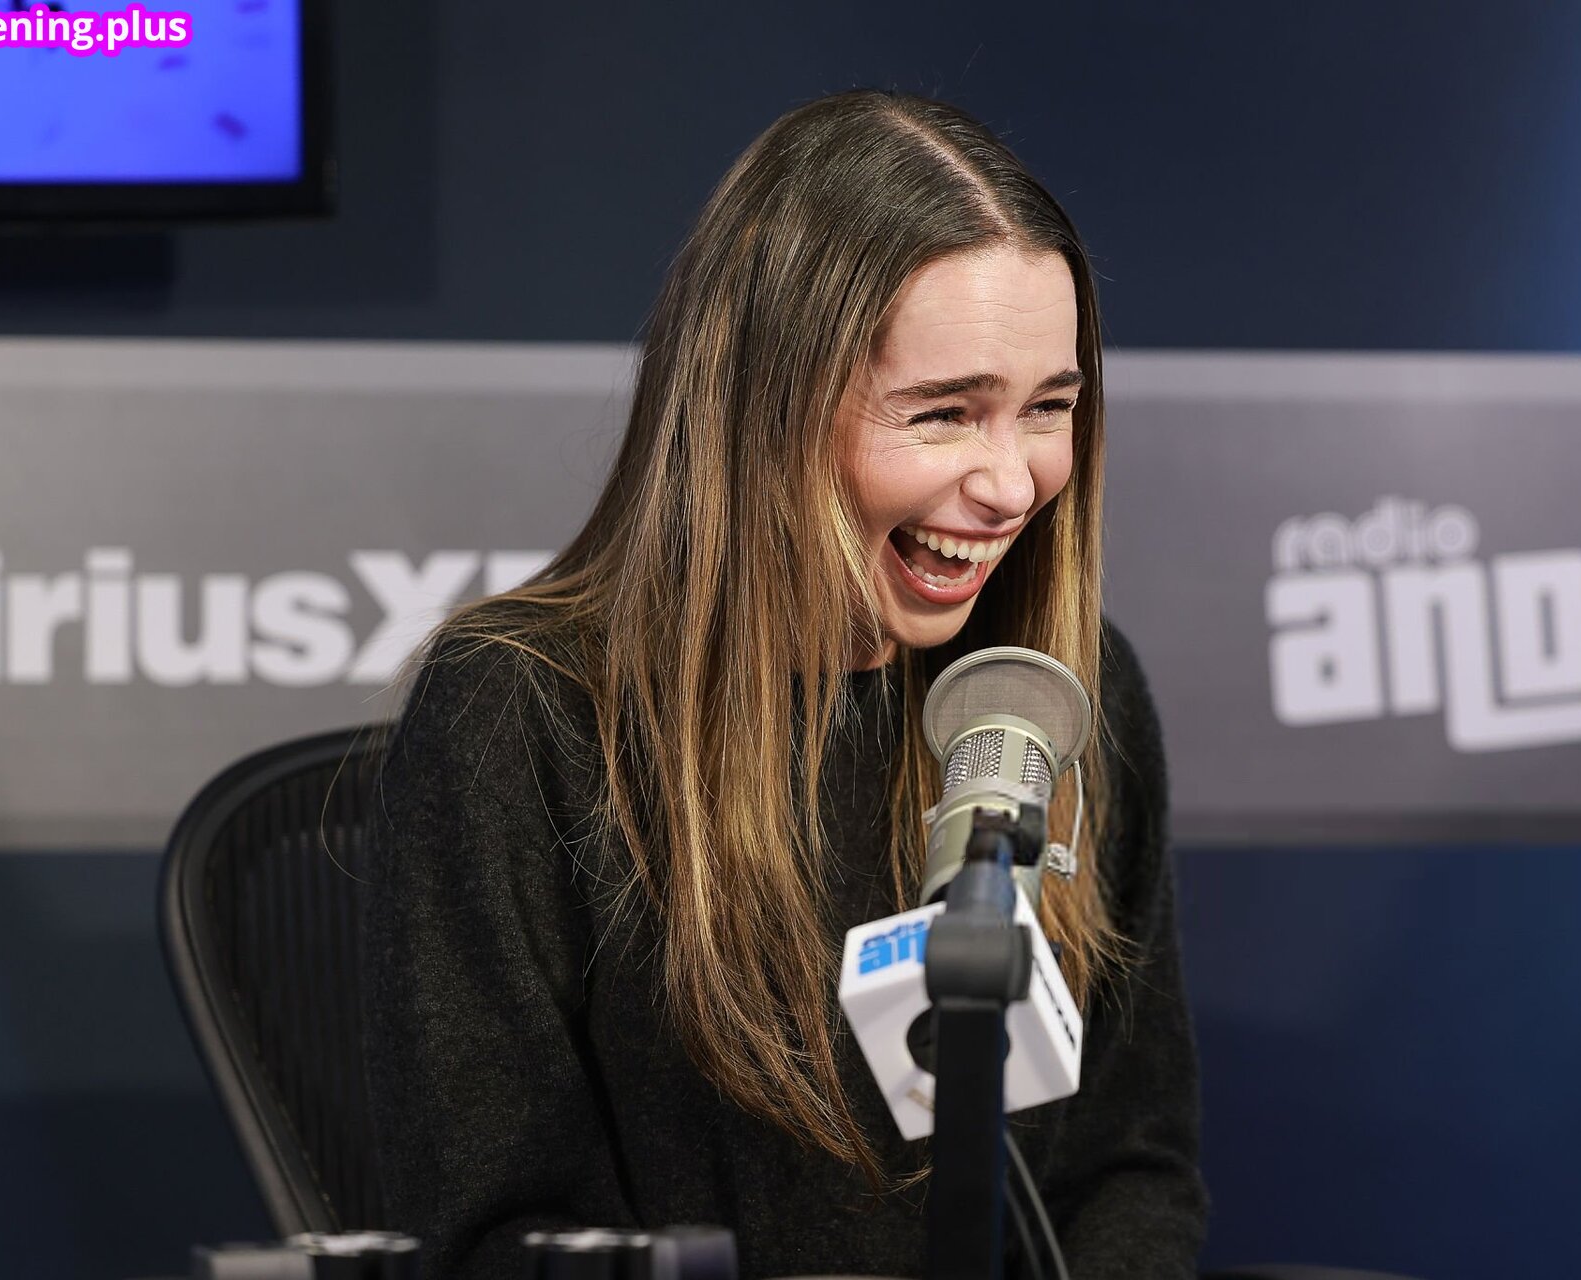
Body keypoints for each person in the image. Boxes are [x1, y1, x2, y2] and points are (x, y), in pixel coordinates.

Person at [358, 88, 1208, 1279]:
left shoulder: (1064, 694)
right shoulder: (520, 712)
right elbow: (494, 1236)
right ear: (765, 409)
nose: (1012, 484)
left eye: (1048, 409)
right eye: (945, 413)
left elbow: (1130, 1170)